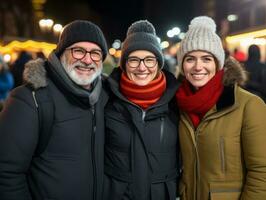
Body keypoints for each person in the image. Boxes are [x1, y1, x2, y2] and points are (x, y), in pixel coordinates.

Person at [0, 20, 108, 200]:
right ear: (61, 53)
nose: (87, 59)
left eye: (96, 53)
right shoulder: (29, 99)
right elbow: (6, 174)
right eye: (78, 50)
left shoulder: (105, 97)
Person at [175, 16, 266, 200]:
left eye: (207, 59)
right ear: (182, 65)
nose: (198, 66)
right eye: (190, 59)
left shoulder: (249, 105)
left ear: (218, 63)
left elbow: (261, 171)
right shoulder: (178, 104)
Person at [103, 20, 180, 200]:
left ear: (159, 63)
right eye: (134, 60)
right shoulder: (106, 98)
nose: (142, 67)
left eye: (149, 60)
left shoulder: (176, 101)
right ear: (124, 63)